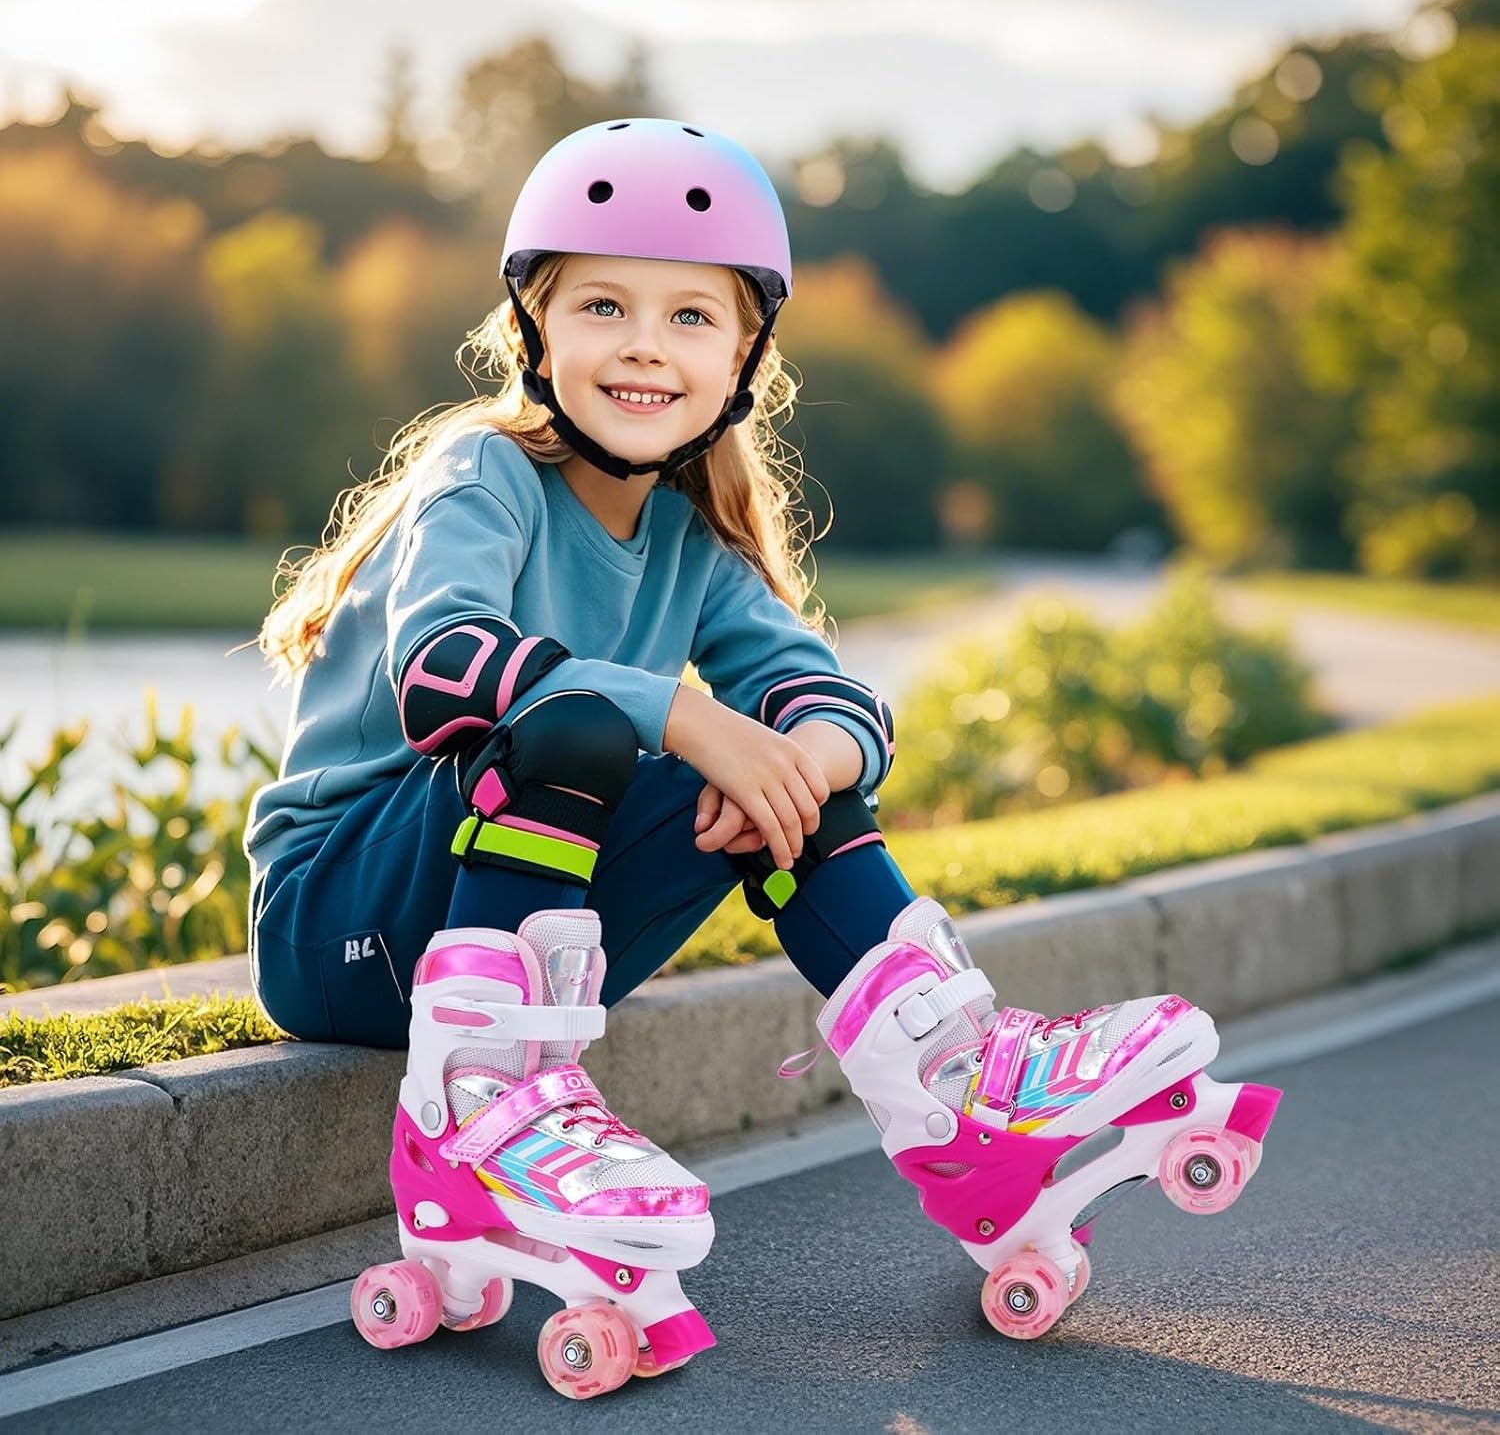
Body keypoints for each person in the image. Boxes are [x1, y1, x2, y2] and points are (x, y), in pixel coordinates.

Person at [246, 118, 1279, 1398]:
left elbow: (836, 700)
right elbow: (444, 672)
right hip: (340, 924)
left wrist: (808, 752)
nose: (642, 344)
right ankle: (473, 1127)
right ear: (535, 328)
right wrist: (684, 717)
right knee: (577, 724)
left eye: (691, 317)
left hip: (496, 930)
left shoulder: (690, 541)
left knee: (788, 762)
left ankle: (959, 1087)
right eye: (604, 305)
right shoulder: (486, 476)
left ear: (744, 355)